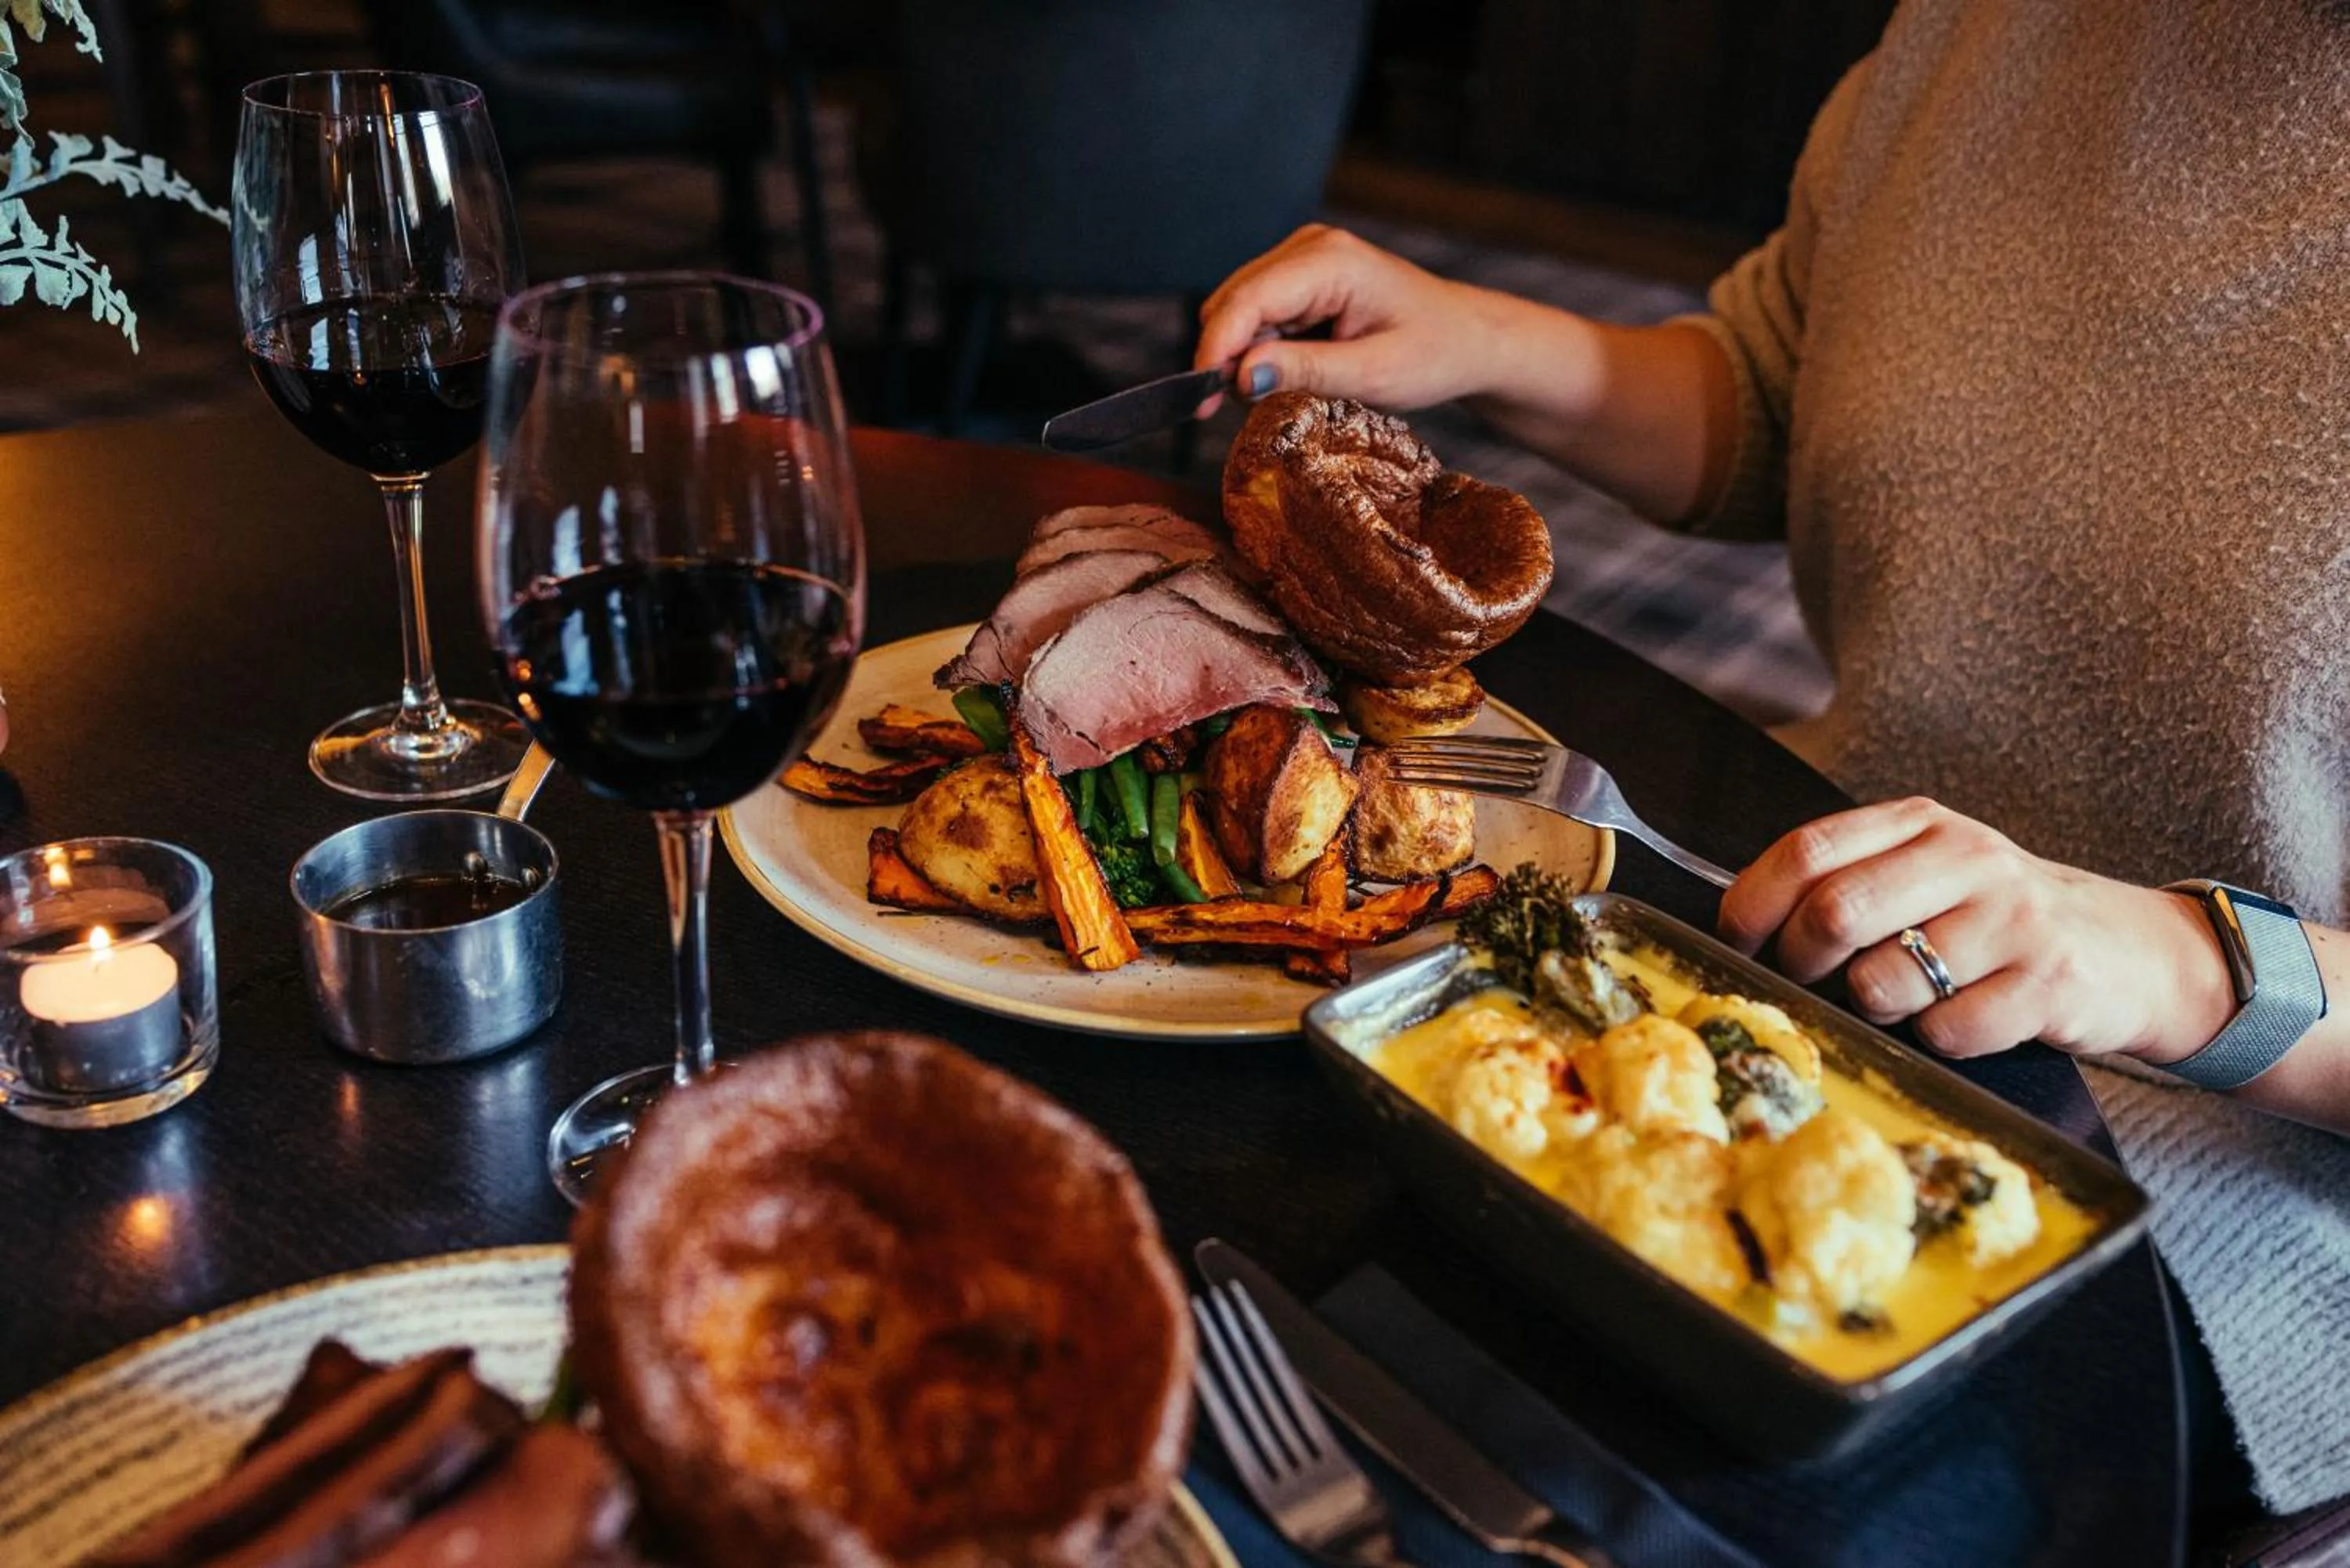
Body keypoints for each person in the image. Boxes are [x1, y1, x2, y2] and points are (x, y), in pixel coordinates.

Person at [1195, 0, 2350, 1541]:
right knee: (1251, 1245)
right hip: (1772, 926)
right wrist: (1477, 335)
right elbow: (1783, 392)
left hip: (2214, 1171)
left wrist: (2169, 959)